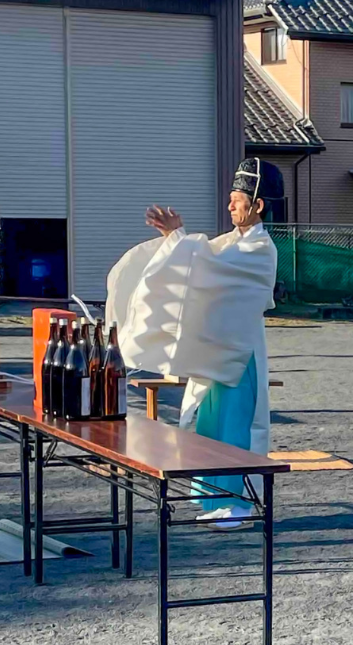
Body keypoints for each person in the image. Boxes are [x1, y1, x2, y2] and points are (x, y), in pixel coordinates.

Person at [107, 157, 280, 530]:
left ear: (258, 205)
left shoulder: (260, 249)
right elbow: (199, 268)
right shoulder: (231, 243)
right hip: (217, 351)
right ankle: (216, 496)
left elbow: (205, 269)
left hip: (239, 353)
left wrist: (179, 237)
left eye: (237, 199)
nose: (230, 205)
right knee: (210, 422)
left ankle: (240, 501)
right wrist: (173, 242)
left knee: (236, 425)